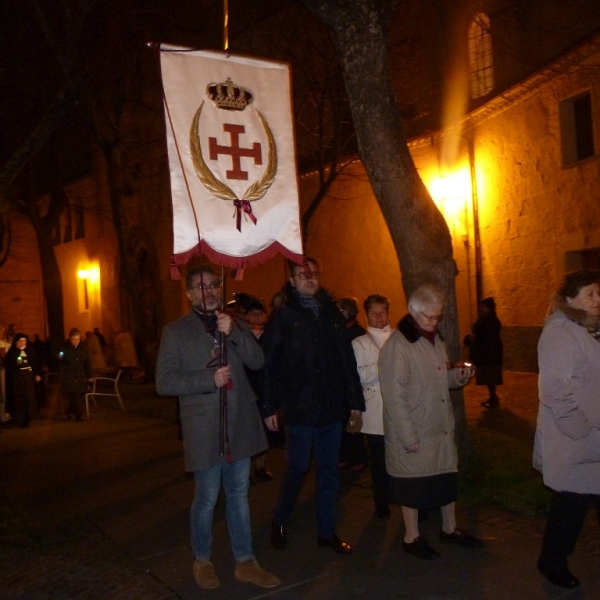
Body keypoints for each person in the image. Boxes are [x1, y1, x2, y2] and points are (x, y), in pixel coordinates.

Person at [156, 266, 280, 591]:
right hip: (204, 426)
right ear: (189, 293)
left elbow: (258, 361)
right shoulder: (175, 331)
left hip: (238, 421)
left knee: (239, 493)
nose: (208, 292)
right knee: (208, 496)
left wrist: (236, 334)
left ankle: (245, 561)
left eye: (212, 285)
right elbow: (164, 381)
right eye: (200, 287)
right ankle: (202, 558)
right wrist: (206, 380)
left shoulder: (235, 322)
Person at [260, 258, 364, 554]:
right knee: (297, 467)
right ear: (291, 281)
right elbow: (268, 365)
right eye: (302, 275)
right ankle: (280, 520)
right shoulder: (283, 317)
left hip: (330, 407)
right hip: (299, 407)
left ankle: (327, 532)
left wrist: (354, 402)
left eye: (314, 274)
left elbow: (346, 360)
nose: (309, 279)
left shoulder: (331, 314)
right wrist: (268, 406)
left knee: (329, 471)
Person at [379, 284, 481, 560]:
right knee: (412, 485)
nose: (435, 322)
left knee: (445, 478)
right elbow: (394, 395)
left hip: (439, 426)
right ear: (413, 313)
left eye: (438, 317)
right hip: (416, 428)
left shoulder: (435, 340)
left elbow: (439, 378)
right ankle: (411, 537)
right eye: (430, 317)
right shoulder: (398, 346)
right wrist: (408, 436)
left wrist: (456, 378)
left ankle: (449, 529)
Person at [533, 269, 600, 589]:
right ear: (571, 298)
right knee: (571, 505)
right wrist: (583, 431)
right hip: (575, 439)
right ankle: (551, 561)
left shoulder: (589, 328)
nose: (598, 299)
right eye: (590, 294)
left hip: (593, 437)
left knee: (579, 501)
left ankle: (552, 558)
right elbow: (554, 391)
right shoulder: (560, 333)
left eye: (599, 293)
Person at [351, 294, 394, 518]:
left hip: (399, 408)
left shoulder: (399, 338)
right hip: (376, 409)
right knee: (379, 460)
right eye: (374, 313)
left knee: (403, 457)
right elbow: (362, 375)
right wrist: (385, 363)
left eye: (383, 312)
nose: (379, 317)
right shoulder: (360, 343)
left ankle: (407, 498)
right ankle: (381, 500)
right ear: (366, 316)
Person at [244, 296, 276, 483]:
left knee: (265, 431)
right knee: (248, 430)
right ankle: (245, 470)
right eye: (252, 313)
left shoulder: (271, 335)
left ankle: (261, 466)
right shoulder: (242, 336)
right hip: (247, 388)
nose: (256, 317)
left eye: (259, 313)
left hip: (265, 388)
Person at [337, 297, 368, 472]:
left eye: (342, 310)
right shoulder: (340, 330)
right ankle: (345, 456)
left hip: (353, 381)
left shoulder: (356, 332)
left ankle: (359, 457)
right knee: (342, 421)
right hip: (342, 383)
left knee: (354, 421)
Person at [465, 297, 503, 408]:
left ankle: (493, 398)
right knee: (489, 375)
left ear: (486, 306)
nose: (480, 307)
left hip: (489, 352)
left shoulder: (490, 319)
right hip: (487, 351)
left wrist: (475, 338)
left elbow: (487, 334)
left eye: (482, 305)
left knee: (489, 374)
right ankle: (492, 397)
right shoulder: (487, 317)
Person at [4, 333, 42, 427]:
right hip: (17, 378)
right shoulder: (12, 352)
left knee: (29, 397)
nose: (22, 342)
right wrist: (15, 364)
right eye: (20, 341)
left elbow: (36, 363)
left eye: (24, 340)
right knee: (19, 398)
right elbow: (8, 365)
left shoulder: (30, 350)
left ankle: (29, 417)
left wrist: (37, 374)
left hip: (28, 377)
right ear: (16, 342)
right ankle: (20, 419)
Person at [60, 328, 93, 421]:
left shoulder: (83, 349)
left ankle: (69, 411)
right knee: (74, 396)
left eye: (77, 339)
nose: (75, 342)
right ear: (70, 339)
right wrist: (60, 357)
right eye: (74, 339)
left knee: (80, 396)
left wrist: (90, 375)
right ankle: (79, 416)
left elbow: (87, 363)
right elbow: (61, 360)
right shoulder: (65, 349)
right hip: (69, 377)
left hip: (80, 377)